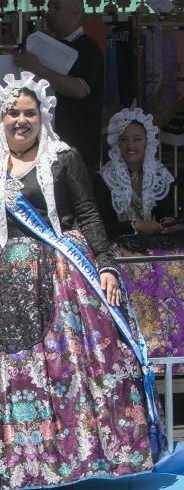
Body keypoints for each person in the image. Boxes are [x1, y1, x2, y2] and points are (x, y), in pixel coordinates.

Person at [0, 72, 160, 490]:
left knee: (70, 366)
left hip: (62, 277)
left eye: (30, 113)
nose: (21, 121)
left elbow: (88, 214)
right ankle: (21, 465)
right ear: (0, 117)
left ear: (42, 116)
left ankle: (78, 457)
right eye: (13, 113)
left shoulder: (63, 158)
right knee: (12, 374)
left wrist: (105, 265)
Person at [94, 107, 184, 364]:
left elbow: (165, 216)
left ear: (148, 142)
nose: (131, 145)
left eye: (137, 139)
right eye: (124, 140)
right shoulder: (104, 180)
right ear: (116, 144)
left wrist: (167, 224)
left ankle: (173, 346)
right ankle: (137, 348)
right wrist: (135, 227)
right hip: (121, 249)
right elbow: (100, 226)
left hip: (154, 247)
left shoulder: (160, 177)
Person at [14, 0, 105, 173]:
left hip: (78, 147)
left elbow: (80, 90)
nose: (50, 13)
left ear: (76, 12)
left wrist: (38, 68)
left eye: (56, 7)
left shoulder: (89, 48)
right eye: (49, 7)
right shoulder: (46, 45)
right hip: (46, 144)